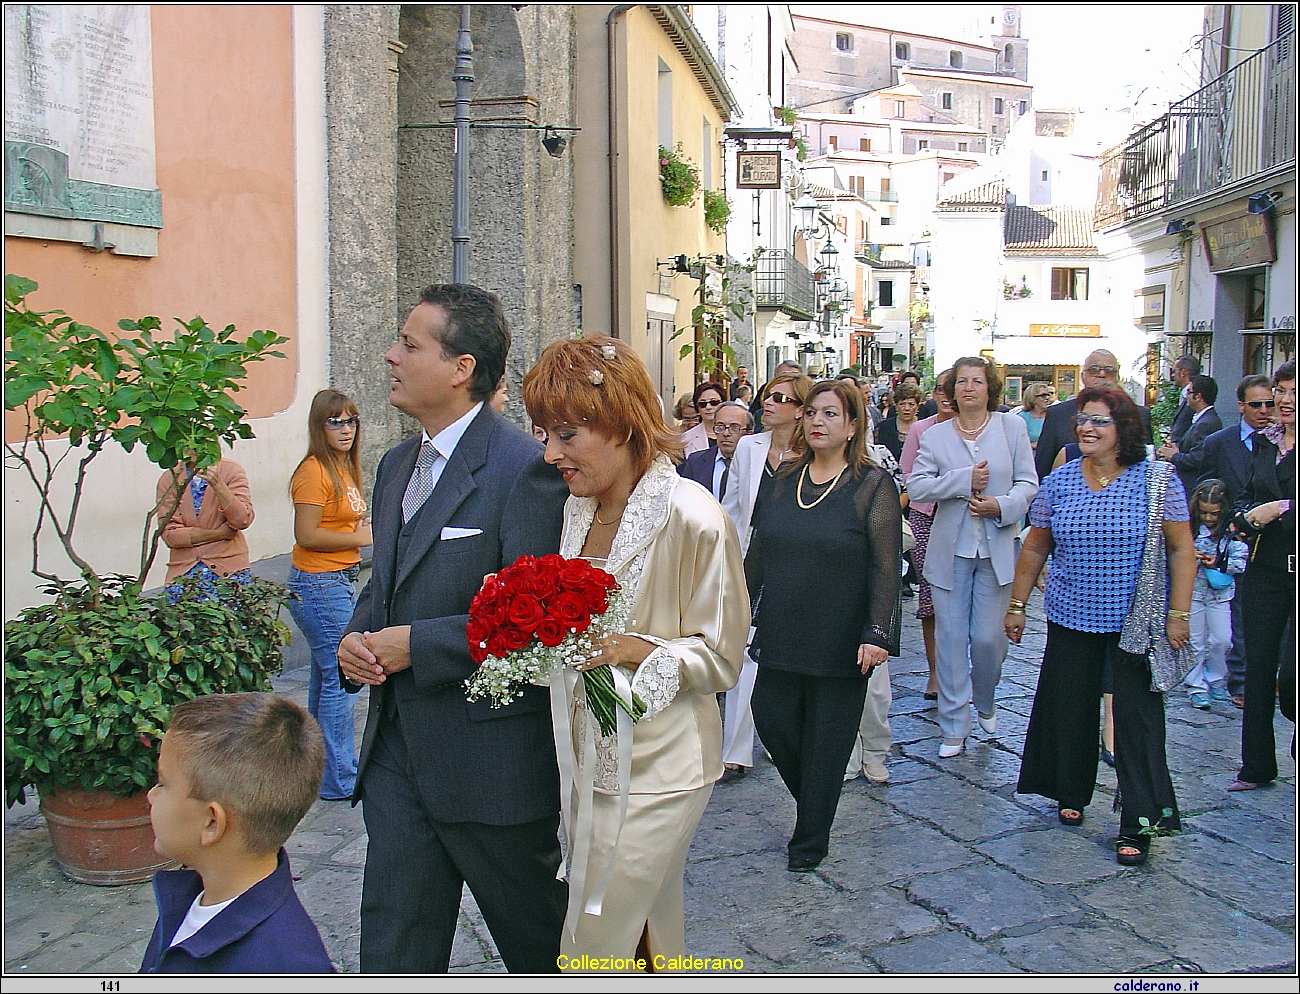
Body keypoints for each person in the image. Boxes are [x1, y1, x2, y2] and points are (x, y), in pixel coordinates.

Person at [337, 283, 569, 973]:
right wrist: (357, 634)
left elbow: (535, 625)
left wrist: (420, 645)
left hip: (489, 770)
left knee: (542, 953)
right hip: (396, 762)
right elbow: (387, 583)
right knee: (395, 951)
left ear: (461, 367)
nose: (389, 356)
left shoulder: (524, 471)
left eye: (410, 344)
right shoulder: (392, 465)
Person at [522, 334, 749, 965]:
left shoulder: (694, 516)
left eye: (567, 435)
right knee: (648, 925)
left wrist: (637, 650)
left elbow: (723, 655)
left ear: (621, 424)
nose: (550, 455)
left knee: (592, 933)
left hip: (662, 767)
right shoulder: (578, 510)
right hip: (585, 759)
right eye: (545, 435)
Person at [1011, 386, 1194, 866]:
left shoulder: (1158, 480)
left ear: (1125, 431)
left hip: (1136, 620)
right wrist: (1017, 603)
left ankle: (1138, 819)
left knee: (1136, 720)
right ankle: (1070, 791)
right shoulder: (1061, 480)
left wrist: (1179, 613)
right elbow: (1035, 545)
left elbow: (1181, 549)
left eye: (1099, 421)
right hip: (1071, 615)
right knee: (1068, 707)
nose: (1086, 428)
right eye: (1082, 420)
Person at [746, 379, 901, 872]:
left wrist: (878, 633)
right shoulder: (783, 477)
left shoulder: (873, 485)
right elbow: (758, 552)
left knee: (828, 740)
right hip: (783, 627)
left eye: (831, 414)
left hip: (840, 636)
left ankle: (809, 838)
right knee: (770, 716)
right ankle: (816, 802)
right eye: (812, 412)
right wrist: (734, 612)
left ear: (853, 425)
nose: (817, 422)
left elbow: (885, 564)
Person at [141, 693, 333, 973]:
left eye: (163, 784)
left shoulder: (286, 966)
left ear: (211, 823)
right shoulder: (190, 897)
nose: (150, 795)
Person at [907, 358, 1038, 758]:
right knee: (949, 638)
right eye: (961, 382)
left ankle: (985, 695)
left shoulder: (1011, 427)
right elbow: (917, 486)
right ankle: (954, 725)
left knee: (987, 638)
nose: (968, 388)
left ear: (990, 388)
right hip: (949, 551)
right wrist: (963, 481)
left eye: (977, 381)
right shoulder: (936, 435)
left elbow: (1028, 483)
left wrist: (1001, 505)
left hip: (997, 547)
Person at [721, 369, 813, 778]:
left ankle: (783, 737)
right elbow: (731, 507)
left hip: (800, 563)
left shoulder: (814, 448)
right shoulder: (749, 448)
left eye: (779, 398)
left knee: (791, 653)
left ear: (798, 410)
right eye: (766, 396)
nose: (768, 404)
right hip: (753, 559)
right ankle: (735, 750)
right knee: (744, 649)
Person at [288, 390, 373, 801]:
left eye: (351, 421)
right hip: (317, 583)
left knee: (327, 676)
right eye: (335, 422)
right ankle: (337, 778)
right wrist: (362, 537)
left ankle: (321, 770)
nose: (345, 430)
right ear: (318, 427)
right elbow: (306, 535)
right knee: (343, 677)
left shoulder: (343, 467)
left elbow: (344, 520)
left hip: (338, 579)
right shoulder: (313, 470)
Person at [1188, 374, 1276, 707]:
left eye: (1270, 403)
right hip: (1227, 543)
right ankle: (1232, 680)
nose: (1265, 410)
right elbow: (1204, 486)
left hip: (1272, 545)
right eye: (1257, 404)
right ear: (1241, 406)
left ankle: (1260, 676)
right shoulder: (1219, 443)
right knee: (1227, 620)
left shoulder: (1284, 444)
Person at [1229, 360, 1296, 792]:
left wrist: (1280, 509)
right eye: (1282, 392)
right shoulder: (1265, 444)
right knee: (1258, 666)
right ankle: (1256, 766)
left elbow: (1274, 505)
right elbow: (1249, 497)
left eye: (1294, 394)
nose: (1285, 402)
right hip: (1264, 567)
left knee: (1291, 674)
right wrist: (1243, 517)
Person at [900, 375, 955, 701]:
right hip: (926, 517)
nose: (947, 397)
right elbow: (908, 476)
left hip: (966, 517)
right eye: (941, 391)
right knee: (931, 597)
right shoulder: (923, 430)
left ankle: (959, 668)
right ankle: (935, 673)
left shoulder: (979, 431)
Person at [1035, 350, 1152, 481]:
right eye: (1094, 370)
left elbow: (1145, 457)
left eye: (1109, 371)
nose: (1101, 374)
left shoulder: (1139, 414)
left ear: (1117, 377)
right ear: (1083, 376)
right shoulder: (1058, 414)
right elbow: (1042, 468)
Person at [1182, 480, 1247, 709]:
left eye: (1214, 513)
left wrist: (1218, 563)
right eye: (1204, 512)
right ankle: (1196, 685)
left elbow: (1241, 562)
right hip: (1194, 591)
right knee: (1196, 641)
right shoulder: (1188, 529)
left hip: (1220, 593)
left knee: (1222, 639)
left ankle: (1216, 677)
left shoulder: (1231, 533)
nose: (1209, 518)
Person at [156, 455, 256, 591]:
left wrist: (218, 485)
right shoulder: (170, 478)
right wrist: (220, 533)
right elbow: (170, 536)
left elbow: (242, 520)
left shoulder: (231, 471)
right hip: (184, 574)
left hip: (229, 571)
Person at [1159, 374, 1222, 498]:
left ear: (1198, 396)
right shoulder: (1202, 419)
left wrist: (1174, 456)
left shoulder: (1206, 423)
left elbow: (1198, 459)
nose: (1186, 395)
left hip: (1193, 487)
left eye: (1189, 391)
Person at [679, 400, 750, 502]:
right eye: (720, 427)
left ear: (749, 433)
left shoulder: (756, 464)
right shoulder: (695, 462)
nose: (726, 433)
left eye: (734, 427)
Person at [877, 382, 922, 461]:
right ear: (896, 406)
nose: (906, 408)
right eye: (902, 404)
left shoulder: (925, 427)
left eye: (911, 404)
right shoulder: (884, 427)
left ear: (917, 406)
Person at [681, 381, 727, 455]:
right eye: (703, 404)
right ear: (697, 408)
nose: (708, 407)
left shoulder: (736, 433)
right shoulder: (686, 439)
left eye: (714, 402)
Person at [1168, 355, 1202, 449]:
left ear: (1183, 373)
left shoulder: (1194, 397)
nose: (1172, 375)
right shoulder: (1183, 395)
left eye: (1174, 371)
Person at [1018, 382, 1053, 449]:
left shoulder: (1052, 415)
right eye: (1043, 395)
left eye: (1048, 395)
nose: (1047, 398)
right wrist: (1033, 445)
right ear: (1033, 398)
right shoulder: (1022, 418)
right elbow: (1017, 442)